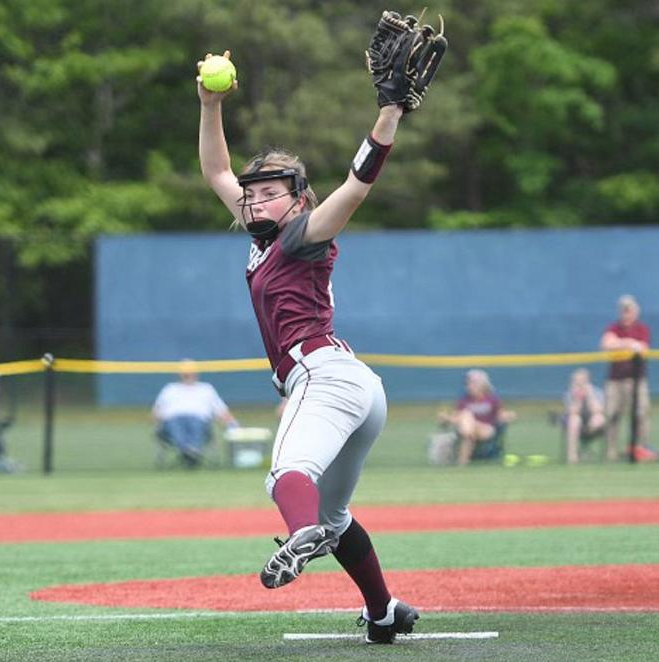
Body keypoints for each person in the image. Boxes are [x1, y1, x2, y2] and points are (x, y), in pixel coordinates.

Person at [196, 33, 436, 642]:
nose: (254, 198)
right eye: (252, 193)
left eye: (269, 192)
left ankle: (298, 536)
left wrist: (388, 113)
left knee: (286, 479)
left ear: (298, 199)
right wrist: (210, 104)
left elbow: (356, 187)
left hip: (322, 376)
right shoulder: (266, 238)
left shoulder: (303, 232)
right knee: (334, 517)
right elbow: (218, 170)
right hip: (356, 387)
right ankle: (383, 612)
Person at [152, 359, 238, 468]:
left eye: (190, 374)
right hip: (173, 421)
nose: (188, 376)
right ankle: (190, 450)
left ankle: (190, 451)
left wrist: (233, 424)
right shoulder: (170, 389)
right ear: (180, 375)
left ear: (196, 374)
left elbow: (221, 410)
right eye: (185, 374)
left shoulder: (206, 389)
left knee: (196, 422)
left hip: (199, 420)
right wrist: (158, 421)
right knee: (175, 423)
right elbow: (156, 412)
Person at [599, 294, 651, 461]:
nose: (626, 313)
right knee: (611, 414)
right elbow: (606, 344)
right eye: (623, 310)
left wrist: (620, 343)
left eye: (629, 310)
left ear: (635, 311)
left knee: (640, 413)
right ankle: (611, 452)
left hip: (636, 380)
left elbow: (642, 348)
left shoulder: (642, 329)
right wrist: (629, 343)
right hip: (615, 380)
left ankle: (639, 449)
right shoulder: (613, 328)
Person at [437, 369, 516, 466]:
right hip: (469, 429)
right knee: (468, 428)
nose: (468, 386)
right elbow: (457, 417)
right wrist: (446, 419)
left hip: (487, 429)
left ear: (482, 385)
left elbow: (499, 415)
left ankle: (460, 457)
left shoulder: (492, 399)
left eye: (472, 383)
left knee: (466, 418)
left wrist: (509, 415)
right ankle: (462, 463)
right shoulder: (464, 400)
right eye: (467, 383)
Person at [560, 368, 606, 464]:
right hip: (577, 422)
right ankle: (572, 456)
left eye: (582, 381)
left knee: (599, 418)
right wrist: (577, 398)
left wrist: (589, 395)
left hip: (592, 423)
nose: (580, 383)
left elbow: (598, 410)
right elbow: (572, 411)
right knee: (574, 420)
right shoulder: (569, 393)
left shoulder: (597, 392)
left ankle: (587, 444)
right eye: (576, 381)